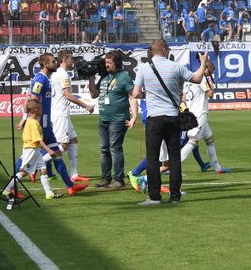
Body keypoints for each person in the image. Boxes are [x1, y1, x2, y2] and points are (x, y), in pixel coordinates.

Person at [131, 39, 211, 205]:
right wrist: (203, 62)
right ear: (163, 49)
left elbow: (136, 93)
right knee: (174, 158)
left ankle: (154, 197)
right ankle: (175, 196)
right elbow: (196, 78)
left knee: (153, 159)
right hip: (172, 117)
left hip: (154, 118)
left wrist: (150, 95)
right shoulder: (176, 66)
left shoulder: (144, 68)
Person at [20, 53, 87, 195]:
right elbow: (33, 99)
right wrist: (28, 118)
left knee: (57, 154)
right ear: (45, 64)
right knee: (28, 155)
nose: (55, 63)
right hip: (41, 123)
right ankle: (12, 184)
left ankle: (70, 186)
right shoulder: (40, 80)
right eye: (52, 61)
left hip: (47, 121)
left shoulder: (46, 79)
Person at [92, 50, 139, 188]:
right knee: (104, 149)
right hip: (103, 119)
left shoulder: (124, 77)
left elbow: (132, 97)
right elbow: (94, 94)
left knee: (114, 148)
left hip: (118, 119)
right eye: (105, 62)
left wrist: (134, 116)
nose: (106, 65)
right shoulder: (104, 77)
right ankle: (106, 178)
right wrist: (90, 77)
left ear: (116, 63)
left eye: (109, 62)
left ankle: (119, 179)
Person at [2, 100, 61, 201]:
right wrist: (49, 150)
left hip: (35, 150)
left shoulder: (30, 120)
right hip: (31, 150)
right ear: (36, 110)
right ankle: (7, 189)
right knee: (24, 172)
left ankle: (48, 193)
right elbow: (38, 140)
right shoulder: (33, 123)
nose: (42, 110)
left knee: (43, 170)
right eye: (41, 108)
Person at [179, 61, 230, 174]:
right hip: (199, 114)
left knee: (210, 139)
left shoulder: (190, 77)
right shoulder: (201, 78)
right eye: (211, 70)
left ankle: (218, 168)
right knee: (193, 141)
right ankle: (174, 165)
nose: (211, 73)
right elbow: (210, 94)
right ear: (206, 68)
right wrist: (212, 84)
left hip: (192, 113)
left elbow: (183, 97)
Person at [50, 49, 94, 181]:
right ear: (64, 60)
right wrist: (85, 105)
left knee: (73, 140)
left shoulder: (56, 73)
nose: (73, 61)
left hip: (61, 113)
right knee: (63, 145)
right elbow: (68, 95)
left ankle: (74, 174)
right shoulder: (63, 74)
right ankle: (39, 161)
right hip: (60, 113)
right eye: (71, 59)